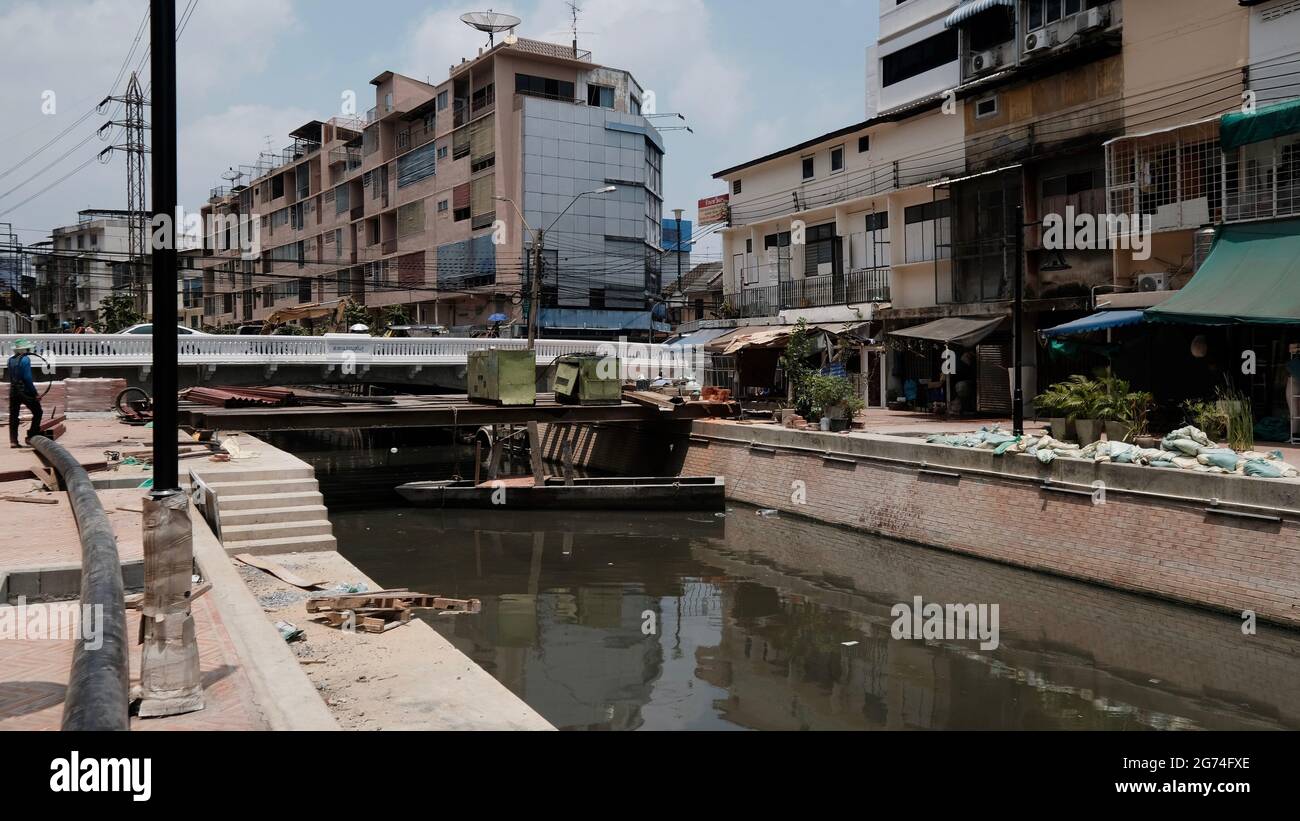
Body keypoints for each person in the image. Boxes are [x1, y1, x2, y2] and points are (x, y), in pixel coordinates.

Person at [6, 339, 42, 448]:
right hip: (25, 391)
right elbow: (27, 378)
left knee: (13, 416)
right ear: (24, 349)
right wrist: (35, 393)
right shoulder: (25, 359)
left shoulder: (10, 360)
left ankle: (13, 441)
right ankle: (31, 435)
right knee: (38, 412)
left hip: (13, 391)